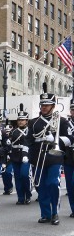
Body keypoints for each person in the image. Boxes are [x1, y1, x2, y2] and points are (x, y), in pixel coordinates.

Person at [26, 84, 72, 225]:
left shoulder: (62, 121)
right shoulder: (34, 123)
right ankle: (45, 214)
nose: (44, 107)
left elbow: (70, 139)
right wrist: (27, 154)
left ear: (53, 106)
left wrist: (56, 140)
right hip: (38, 158)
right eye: (42, 105)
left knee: (53, 184)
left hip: (54, 157)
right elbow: (28, 139)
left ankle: (55, 213)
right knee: (41, 187)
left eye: (47, 105)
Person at [8, 104, 32, 206]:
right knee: (17, 177)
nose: (20, 121)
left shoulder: (30, 131)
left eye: (23, 120)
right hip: (15, 156)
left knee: (24, 175)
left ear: (27, 121)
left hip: (26, 156)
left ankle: (28, 195)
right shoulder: (13, 131)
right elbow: (9, 143)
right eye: (19, 120)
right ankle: (21, 197)